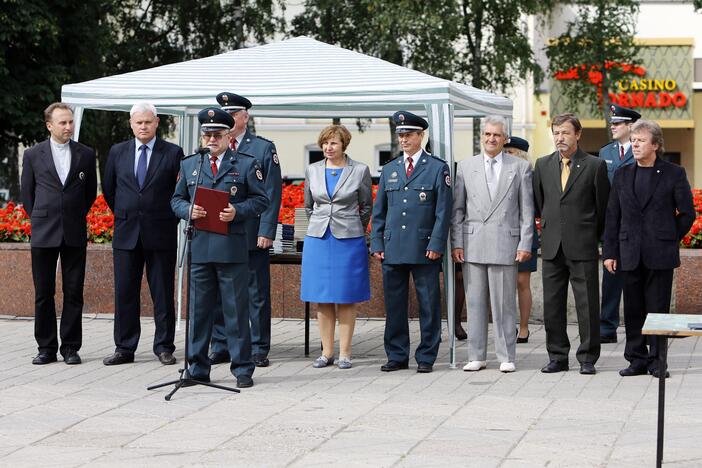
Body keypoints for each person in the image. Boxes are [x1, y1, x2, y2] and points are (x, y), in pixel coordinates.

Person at [171, 107, 268, 388]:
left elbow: (261, 200)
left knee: (236, 311)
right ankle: (197, 367)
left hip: (232, 248)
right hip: (200, 248)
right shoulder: (191, 164)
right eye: (207, 135)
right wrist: (188, 209)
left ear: (228, 136)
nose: (211, 140)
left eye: (217, 135)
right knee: (199, 312)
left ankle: (242, 368)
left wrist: (237, 211)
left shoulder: (247, 164)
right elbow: (175, 200)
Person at [603, 120, 694, 378]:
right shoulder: (622, 174)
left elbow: (687, 213)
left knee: (658, 309)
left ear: (655, 144)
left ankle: (657, 361)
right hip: (629, 251)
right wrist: (610, 252)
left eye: (641, 140)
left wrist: (668, 236)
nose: (635, 144)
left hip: (660, 254)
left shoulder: (674, 173)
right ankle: (636, 359)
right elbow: (613, 216)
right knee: (633, 308)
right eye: (633, 140)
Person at [101, 102, 184, 366]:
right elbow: (110, 190)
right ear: (131, 124)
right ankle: (124, 347)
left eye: (148, 122)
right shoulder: (117, 152)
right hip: (126, 234)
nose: (143, 126)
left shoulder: (172, 153)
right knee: (125, 292)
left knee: (162, 293)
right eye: (139, 122)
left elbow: (179, 192)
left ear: (157, 122)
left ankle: (164, 346)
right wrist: (128, 213)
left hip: (160, 233)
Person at [371, 111, 452, 374]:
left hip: (424, 247)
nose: (403, 140)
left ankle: (426, 356)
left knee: (429, 305)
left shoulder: (437, 168)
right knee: (394, 306)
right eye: (401, 135)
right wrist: (377, 243)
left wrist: (437, 244)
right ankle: (396, 354)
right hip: (393, 247)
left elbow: (443, 211)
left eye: (408, 135)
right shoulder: (391, 168)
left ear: (421, 136)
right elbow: (379, 210)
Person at [451, 117, 534, 373]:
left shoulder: (519, 167)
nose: (491, 139)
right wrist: (457, 242)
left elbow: (527, 210)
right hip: (473, 241)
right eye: (487, 134)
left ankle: (506, 355)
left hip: (504, 242)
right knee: (474, 303)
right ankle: (476, 355)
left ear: (505, 138)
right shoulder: (466, 166)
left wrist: (525, 242)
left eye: (496, 135)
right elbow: (458, 209)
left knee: (504, 304)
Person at [209, 92, 282, 368]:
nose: (228, 118)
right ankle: (221, 344)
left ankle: (259, 347)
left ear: (245, 116)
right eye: (224, 114)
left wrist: (267, 230)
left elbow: (272, 193)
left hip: (251, 232)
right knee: (218, 291)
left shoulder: (262, 148)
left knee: (256, 293)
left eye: (233, 113)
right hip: (219, 231)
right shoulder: (214, 145)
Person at [20, 102, 97, 365]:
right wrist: (43, 217)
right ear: (49, 125)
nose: (68, 127)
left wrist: (72, 216)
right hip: (44, 231)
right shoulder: (32, 155)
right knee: (44, 292)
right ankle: (46, 347)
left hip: (74, 230)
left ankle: (71, 347)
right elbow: (27, 195)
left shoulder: (86, 154)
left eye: (70, 122)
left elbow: (89, 194)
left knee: (74, 291)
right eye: (62, 122)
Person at [533, 113, 609, 375]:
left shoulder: (595, 166)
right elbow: (539, 204)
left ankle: (587, 358)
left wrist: (592, 237)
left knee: (587, 305)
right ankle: (557, 356)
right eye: (556, 132)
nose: (559, 137)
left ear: (578, 134)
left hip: (582, 245)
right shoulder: (542, 165)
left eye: (565, 132)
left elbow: (602, 209)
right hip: (553, 246)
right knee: (552, 305)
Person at [300, 125, 373, 369]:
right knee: (322, 297)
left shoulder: (360, 170)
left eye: (333, 143)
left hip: (348, 240)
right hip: (318, 239)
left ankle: (345, 352)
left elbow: (366, 206)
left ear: (344, 145)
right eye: (325, 143)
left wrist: (353, 226)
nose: (328, 148)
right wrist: (321, 224)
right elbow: (309, 206)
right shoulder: (313, 169)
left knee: (346, 296)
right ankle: (326, 352)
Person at [598, 104, 641, 344]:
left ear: (630, 126)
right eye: (612, 123)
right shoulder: (605, 153)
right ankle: (607, 327)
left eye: (618, 123)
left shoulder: (640, 149)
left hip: (636, 224)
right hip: (612, 224)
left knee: (636, 278)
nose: (612, 126)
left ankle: (641, 327)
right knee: (611, 276)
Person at [503, 136, 538, 344]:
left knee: (521, 282)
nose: (507, 155)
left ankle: (524, 327)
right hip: (503, 234)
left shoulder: (531, 175)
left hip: (525, 233)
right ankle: (508, 325)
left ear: (521, 155)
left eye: (511, 152)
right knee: (504, 284)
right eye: (505, 152)